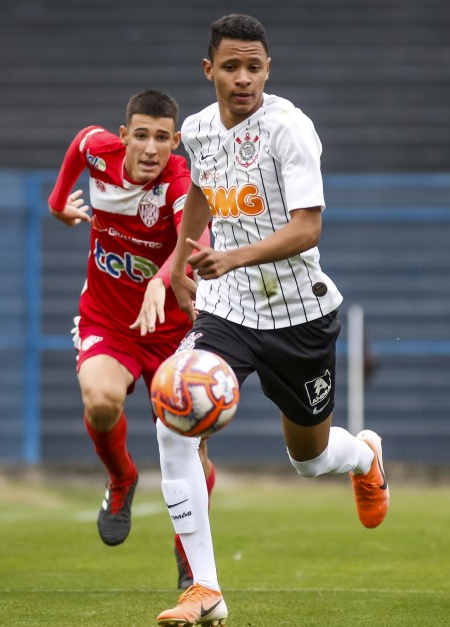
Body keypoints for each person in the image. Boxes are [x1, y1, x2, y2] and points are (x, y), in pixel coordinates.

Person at [154, 14, 389, 625]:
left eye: (253, 67)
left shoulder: (291, 130)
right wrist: (182, 260)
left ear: (267, 69)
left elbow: (308, 227)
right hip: (227, 306)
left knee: (308, 460)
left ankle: (364, 457)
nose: (242, 78)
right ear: (209, 70)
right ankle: (204, 590)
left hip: (299, 313)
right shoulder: (199, 130)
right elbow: (203, 191)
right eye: (230, 66)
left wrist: (227, 254)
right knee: (172, 418)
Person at [47, 89, 213, 590]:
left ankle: (190, 562)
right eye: (140, 135)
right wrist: (58, 205)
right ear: (124, 137)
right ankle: (121, 479)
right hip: (108, 321)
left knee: (188, 448)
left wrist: (161, 281)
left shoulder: (180, 180)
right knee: (100, 400)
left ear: (175, 142)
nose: (150, 148)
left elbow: (197, 238)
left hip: (176, 331)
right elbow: (80, 142)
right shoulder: (102, 152)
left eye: (162, 138)